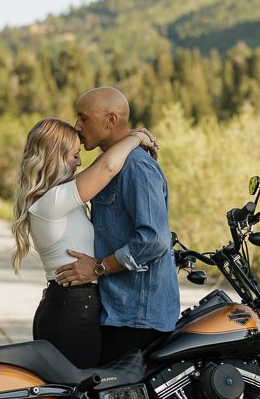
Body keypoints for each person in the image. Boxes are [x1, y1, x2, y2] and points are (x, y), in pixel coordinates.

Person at [10, 118, 157, 368]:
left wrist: (127, 138)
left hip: (69, 306)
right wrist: (137, 138)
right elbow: (107, 167)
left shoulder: (54, 198)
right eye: (74, 155)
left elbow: (99, 167)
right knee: (77, 398)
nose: (79, 161)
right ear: (55, 157)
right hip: (73, 311)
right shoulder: (54, 201)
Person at [55, 87, 181, 365]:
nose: (77, 126)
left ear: (111, 120)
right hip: (117, 310)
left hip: (136, 316)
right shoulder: (111, 165)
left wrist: (98, 267)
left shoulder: (137, 167)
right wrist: (137, 136)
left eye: (83, 118)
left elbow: (153, 240)